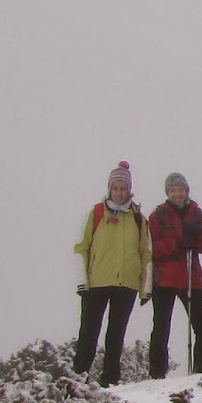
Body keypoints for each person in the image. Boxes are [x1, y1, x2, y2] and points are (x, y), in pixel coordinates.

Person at [73, 161, 153, 387]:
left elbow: (146, 253)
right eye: (116, 188)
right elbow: (82, 247)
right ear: (109, 189)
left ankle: (110, 382)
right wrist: (82, 281)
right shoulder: (96, 212)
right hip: (96, 282)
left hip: (126, 283)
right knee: (88, 333)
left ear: (129, 190)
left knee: (115, 336)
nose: (119, 193)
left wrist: (146, 289)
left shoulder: (138, 218)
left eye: (123, 188)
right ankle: (78, 380)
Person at [146, 172, 202, 377]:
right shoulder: (158, 214)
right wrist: (177, 243)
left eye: (181, 189)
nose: (177, 193)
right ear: (168, 192)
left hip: (190, 277)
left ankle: (201, 370)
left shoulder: (196, 212)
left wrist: (196, 237)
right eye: (173, 190)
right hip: (164, 278)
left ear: (186, 191)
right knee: (161, 327)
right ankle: (157, 372)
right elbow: (151, 247)